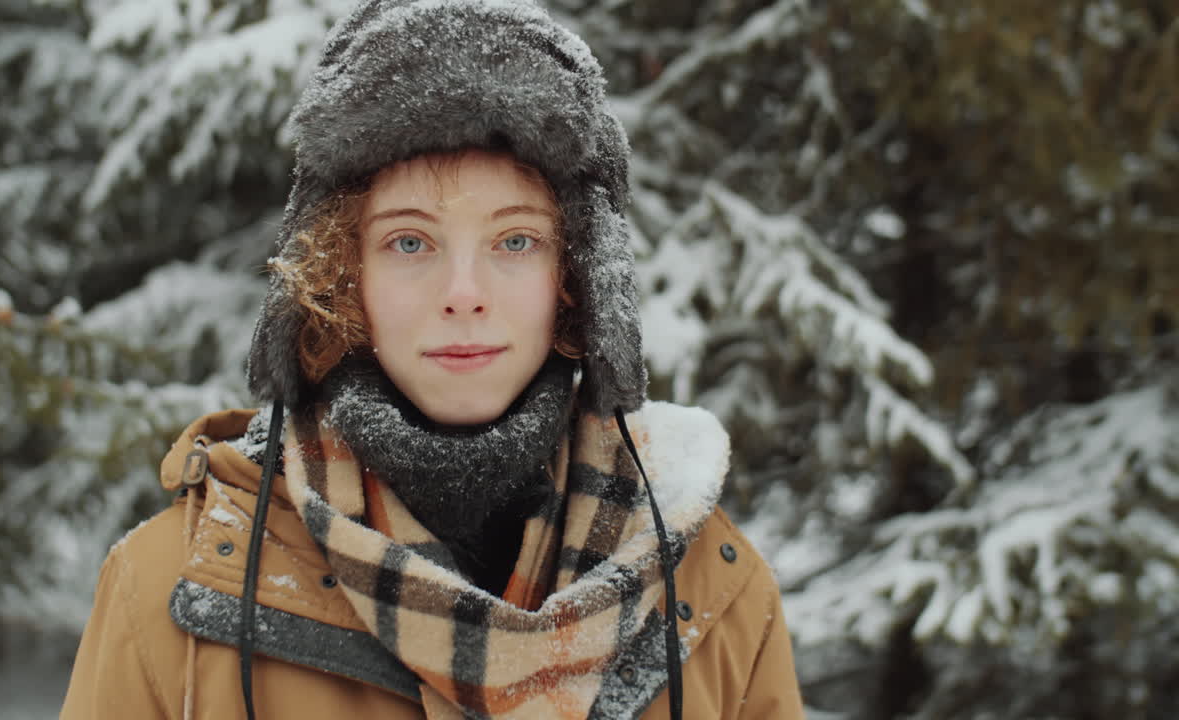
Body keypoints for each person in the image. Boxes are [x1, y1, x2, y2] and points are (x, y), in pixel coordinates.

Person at [60, 0, 804, 718]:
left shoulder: (717, 599)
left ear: (577, 280)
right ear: (342, 276)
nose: (463, 293)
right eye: (409, 242)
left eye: (515, 241)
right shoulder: (168, 593)